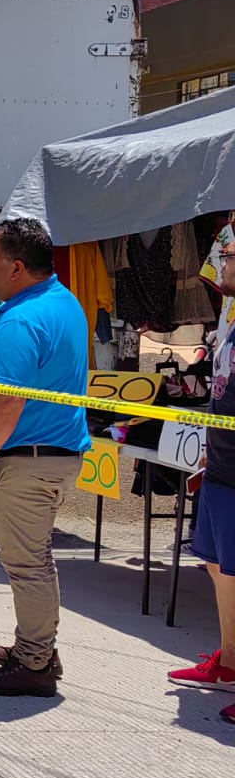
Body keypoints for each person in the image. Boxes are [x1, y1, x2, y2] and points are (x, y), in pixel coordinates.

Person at [0, 218, 89, 698]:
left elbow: (7, 399)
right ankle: (34, 649)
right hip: (42, 454)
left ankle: (34, 662)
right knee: (32, 560)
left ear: (16, 266)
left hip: (24, 459)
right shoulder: (58, 301)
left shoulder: (23, 318)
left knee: (28, 564)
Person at [166, 228, 235, 724]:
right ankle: (229, 661)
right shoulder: (230, 317)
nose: (219, 262)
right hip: (223, 465)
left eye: (227, 255)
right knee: (218, 567)